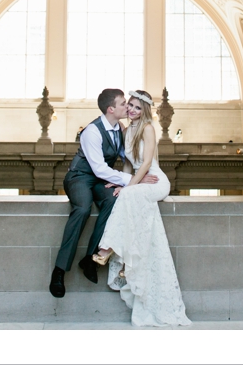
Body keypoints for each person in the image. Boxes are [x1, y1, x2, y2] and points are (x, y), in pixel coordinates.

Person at [92, 90, 191, 327]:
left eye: (137, 107)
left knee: (126, 197)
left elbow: (146, 163)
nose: (132, 110)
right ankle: (119, 256)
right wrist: (122, 183)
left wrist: (129, 187)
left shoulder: (147, 127)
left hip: (155, 181)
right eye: (130, 106)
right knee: (125, 197)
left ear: (144, 110)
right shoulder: (128, 131)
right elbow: (128, 163)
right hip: (139, 180)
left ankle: (107, 249)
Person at [49, 88, 159, 298]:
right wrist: (133, 180)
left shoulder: (120, 128)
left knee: (114, 200)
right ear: (111, 109)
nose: (127, 106)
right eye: (123, 103)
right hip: (80, 176)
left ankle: (90, 258)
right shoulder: (92, 131)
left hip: (102, 180)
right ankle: (59, 270)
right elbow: (99, 168)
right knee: (82, 208)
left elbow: (127, 155)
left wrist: (139, 177)